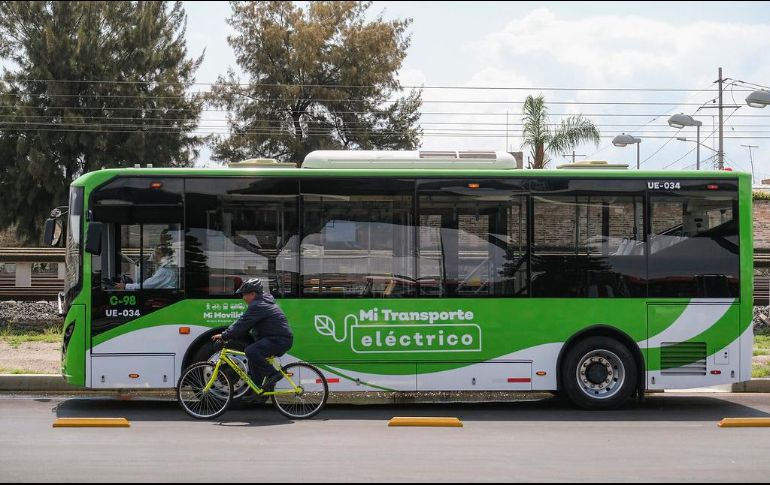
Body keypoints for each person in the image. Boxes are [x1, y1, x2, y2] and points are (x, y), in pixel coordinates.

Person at [211, 278, 294, 392]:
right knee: (252, 359)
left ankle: (274, 374)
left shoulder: (259, 305)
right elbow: (245, 324)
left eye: (244, 294)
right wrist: (231, 335)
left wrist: (224, 335)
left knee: (251, 351)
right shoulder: (262, 302)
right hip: (276, 339)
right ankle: (257, 390)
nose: (243, 298)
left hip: (279, 340)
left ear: (253, 294)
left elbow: (242, 323)